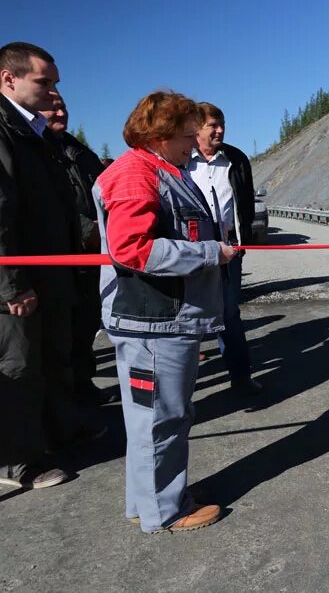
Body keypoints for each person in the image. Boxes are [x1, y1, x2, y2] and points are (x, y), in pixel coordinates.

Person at [95, 91, 234, 532]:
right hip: (154, 320)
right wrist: (211, 252)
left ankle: (146, 503)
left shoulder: (157, 169)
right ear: (160, 134)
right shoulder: (136, 173)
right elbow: (133, 249)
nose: (194, 141)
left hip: (161, 318)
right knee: (163, 419)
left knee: (150, 418)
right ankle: (167, 511)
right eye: (187, 133)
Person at [0, 42, 96, 490]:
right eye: (44, 82)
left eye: (55, 82)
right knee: (19, 366)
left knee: (54, 356)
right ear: (9, 79)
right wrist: (11, 283)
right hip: (20, 278)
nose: (53, 91)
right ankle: (16, 463)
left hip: (54, 272)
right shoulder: (4, 130)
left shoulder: (36, 133)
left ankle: (60, 432)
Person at [187, 102, 261, 394]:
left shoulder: (236, 159)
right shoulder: (181, 160)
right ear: (196, 128)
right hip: (191, 252)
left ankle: (241, 377)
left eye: (222, 124)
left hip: (230, 249)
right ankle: (184, 382)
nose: (220, 130)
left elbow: (245, 201)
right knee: (189, 314)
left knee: (229, 313)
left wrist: (243, 242)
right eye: (212, 125)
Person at [39, 95, 108, 406]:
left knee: (87, 321)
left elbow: (104, 192)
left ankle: (82, 381)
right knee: (60, 331)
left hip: (91, 256)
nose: (60, 112)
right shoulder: (36, 149)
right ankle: (62, 396)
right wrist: (87, 231)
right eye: (52, 107)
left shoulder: (81, 152)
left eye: (64, 107)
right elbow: (50, 204)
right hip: (60, 255)